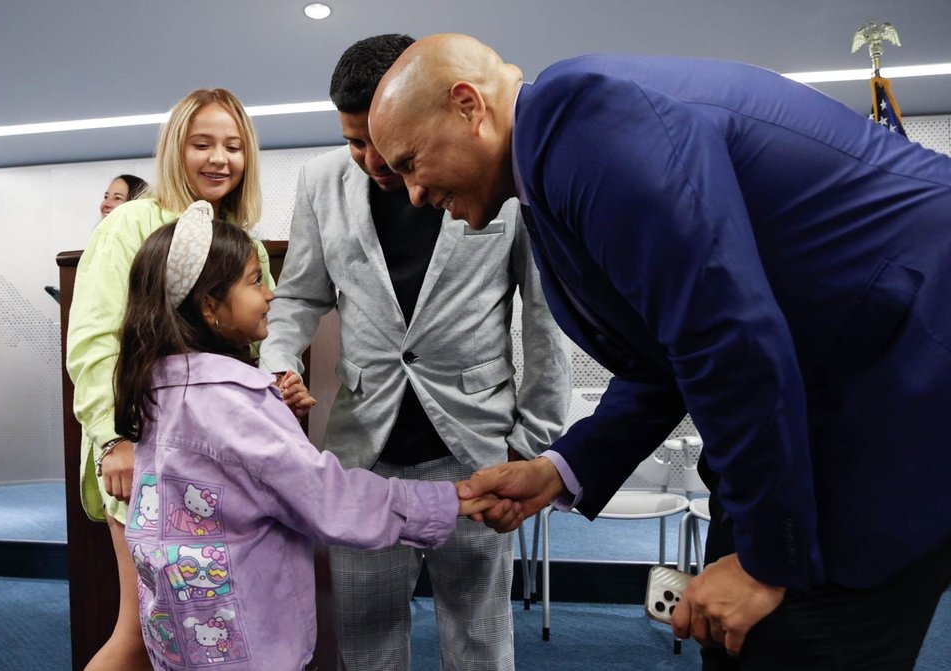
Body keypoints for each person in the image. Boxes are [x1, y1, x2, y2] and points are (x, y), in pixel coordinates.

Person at [369, 34, 951, 670]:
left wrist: (766, 563)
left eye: (408, 163)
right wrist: (559, 468)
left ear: (467, 106)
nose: (414, 194)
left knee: (792, 641)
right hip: (836, 388)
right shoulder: (553, 159)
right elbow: (665, 352)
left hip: (903, 376)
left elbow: (726, 336)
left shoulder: (580, 122)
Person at [258, 34, 570, 671]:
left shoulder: (494, 173)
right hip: (362, 461)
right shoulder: (320, 182)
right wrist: (279, 364)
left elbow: (544, 318)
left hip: (478, 451)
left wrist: (535, 440)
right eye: (353, 141)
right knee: (366, 639)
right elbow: (297, 298)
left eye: (379, 139)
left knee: (479, 639)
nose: (371, 159)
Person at [113, 200, 497, 671]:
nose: (270, 294)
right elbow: (327, 498)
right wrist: (445, 501)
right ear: (209, 307)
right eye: (255, 281)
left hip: (181, 634)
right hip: (246, 639)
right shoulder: (235, 404)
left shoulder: (159, 387)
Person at [66, 88, 314, 671]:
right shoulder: (131, 223)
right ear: (175, 150)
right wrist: (114, 440)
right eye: (202, 143)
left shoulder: (244, 239)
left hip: (216, 468)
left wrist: (281, 384)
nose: (218, 159)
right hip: (144, 455)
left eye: (232, 146)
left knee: (202, 641)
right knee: (139, 634)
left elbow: (251, 345)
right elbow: (96, 342)